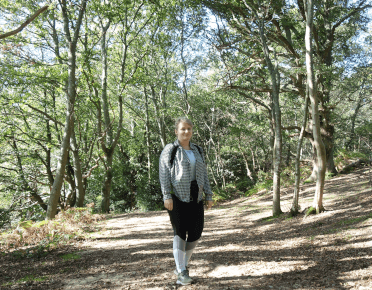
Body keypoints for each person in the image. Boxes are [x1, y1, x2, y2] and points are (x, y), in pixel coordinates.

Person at [159, 117, 213, 285]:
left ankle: (181, 265)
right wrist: (166, 195)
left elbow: (204, 173)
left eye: (189, 129)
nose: (186, 132)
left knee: (196, 233)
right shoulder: (170, 149)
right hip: (176, 196)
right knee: (180, 233)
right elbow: (164, 173)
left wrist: (209, 195)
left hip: (196, 195)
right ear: (176, 131)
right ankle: (182, 271)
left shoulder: (198, 149)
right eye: (183, 129)